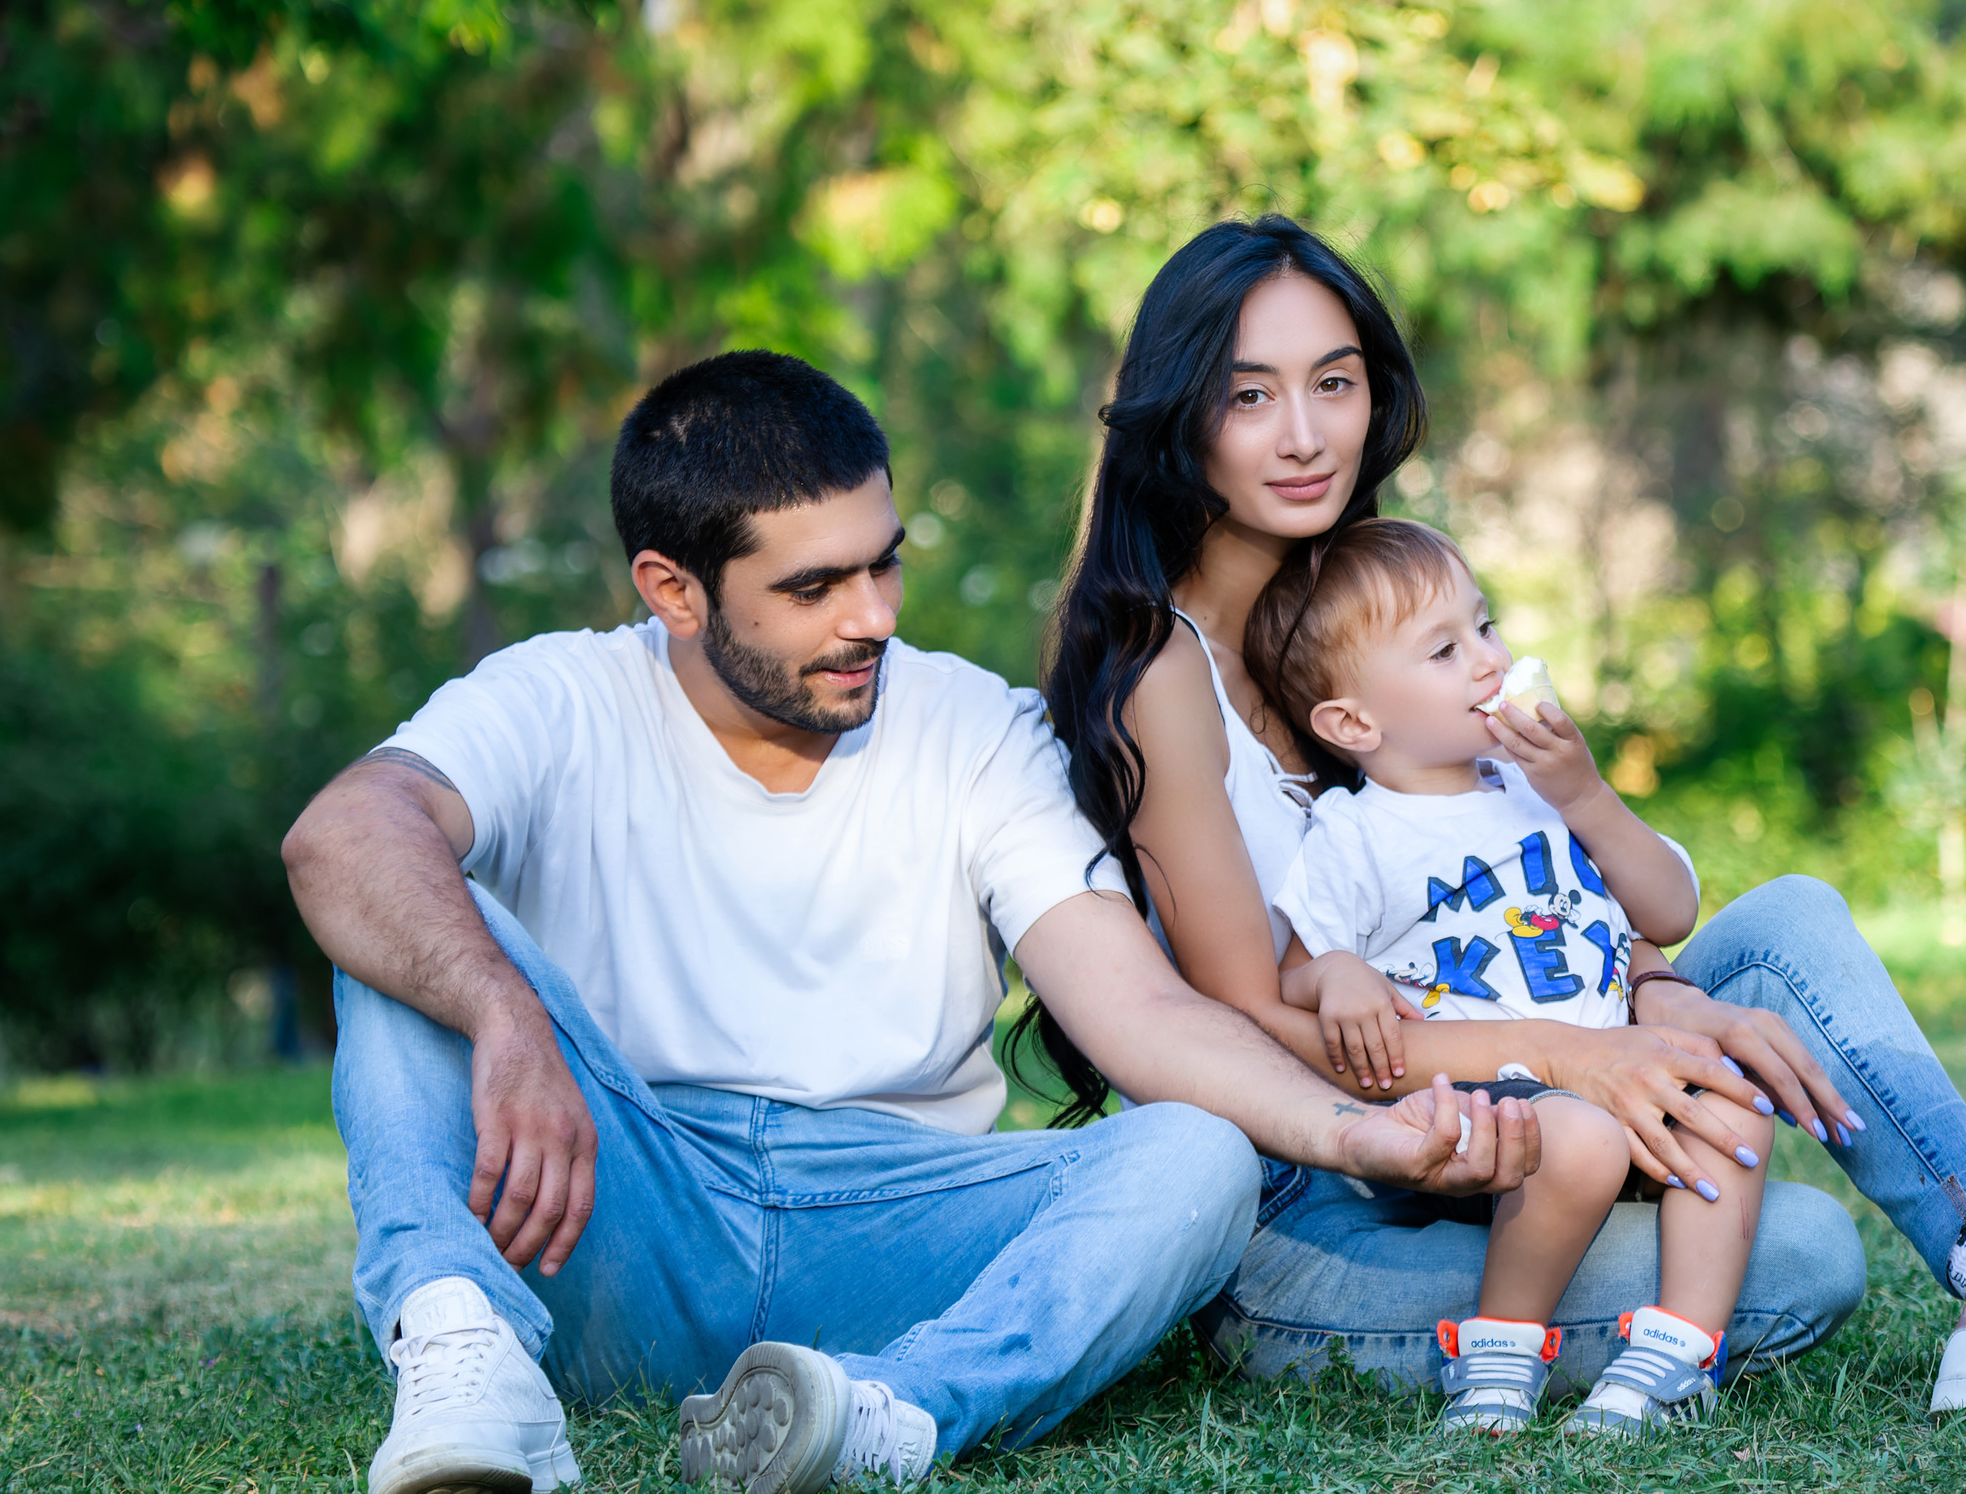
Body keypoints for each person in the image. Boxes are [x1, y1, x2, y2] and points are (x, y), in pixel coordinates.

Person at [1034, 212, 1966, 1428]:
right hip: (1323, 1208)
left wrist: (1646, 988)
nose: (1304, 435)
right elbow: (1263, 1018)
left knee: (1784, 923)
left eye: (1335, 382)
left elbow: (1500, 884)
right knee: (1797, 1254)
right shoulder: (1160, 671)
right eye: (1249, 396)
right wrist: (1578, 1052)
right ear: (1178, 414)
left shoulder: (1383, 622)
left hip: (1509, 1122)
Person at [282, 352, 1544, 1494]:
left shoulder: (971, 726)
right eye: (814, 585)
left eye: (884, 561)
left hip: (897, 1225)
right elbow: (339, 836)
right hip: (625, 1202)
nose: (873, 615)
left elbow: (1139, 1009)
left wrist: (1356, 1134)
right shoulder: (557, 695)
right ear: (673, 589)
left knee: (1195, 1156)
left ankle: (887, 1416)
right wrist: (505, 1017)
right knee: (399, 921)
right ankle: (466, 1361)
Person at [1256, 517, 1770, 1437]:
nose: (1490, 658)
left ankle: (1677, 1353)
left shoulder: (1536, 784)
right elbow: (1293, 974)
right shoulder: (1358, 833)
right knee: (1574, 1139)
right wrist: (1336, 972)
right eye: (1445, 649)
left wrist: (1585, 793)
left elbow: (1668, 912)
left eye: (1484, 626)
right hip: (1491, 1119)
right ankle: (1497, 1353)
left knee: (1734, 1105)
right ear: (1353, 722)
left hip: (1623, 1073)